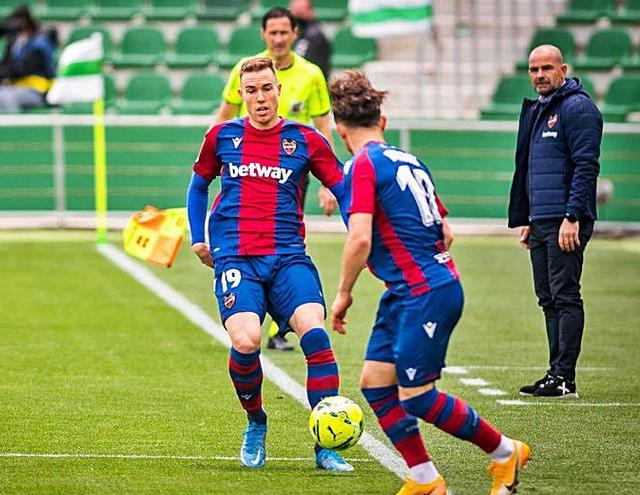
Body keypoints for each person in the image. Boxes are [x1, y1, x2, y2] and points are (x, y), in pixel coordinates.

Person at [328, 70, 531, 495]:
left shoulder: (362, 165)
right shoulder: (409, 159)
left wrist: (344, 293)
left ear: (339, 129)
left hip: (425, 292)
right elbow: (446, 230)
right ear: (382, 123)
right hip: (410, 290)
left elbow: (360, 237)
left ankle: (504, 451)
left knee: (417, 395)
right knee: (376, 383)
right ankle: (425, 479)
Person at [188, 57, 352, 472]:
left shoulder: (308, 140)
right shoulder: (221, 136)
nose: (260, 98)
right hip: (236, 258)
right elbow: (199, 184)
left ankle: (324, 446)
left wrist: (360, 233)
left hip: (288, 257)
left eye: (266, 88)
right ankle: (256, 421)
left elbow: (343, 189)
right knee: (246, 341)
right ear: (240, 94)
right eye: (251, 91)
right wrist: (198, 237)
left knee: (315, 333)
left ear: (280, 90)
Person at [215, 6, 336, 351]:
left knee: (284, 237)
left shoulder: (312, 75)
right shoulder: (247, 69)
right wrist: (213, 154)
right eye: (273, 33)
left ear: (295, 34)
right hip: (246, 165)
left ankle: (282, 319)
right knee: (250, 239)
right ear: (263, 35)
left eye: (285, 32)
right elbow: (224, 115)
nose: (279, 39)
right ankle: (261, 314)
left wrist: (328, 181)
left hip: (291, 167)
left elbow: (323, 124)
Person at [509, 45, 601, 399]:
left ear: (563, 69)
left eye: (546, 68)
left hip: (566, 220)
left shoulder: (579, 108)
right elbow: (533, 170)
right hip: (542, 219)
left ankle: (565, 378)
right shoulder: (539, 110)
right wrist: (529, 217)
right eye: (533, 70)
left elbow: (586, 166)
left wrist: (572, 216)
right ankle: (555, 374)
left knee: (565, 295)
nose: (539, 75)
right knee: (547, 297)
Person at [0, 5, 55, 112]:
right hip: (18, 86)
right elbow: (5, 63)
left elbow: (24, 70)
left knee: (8, 97)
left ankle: (17, 128)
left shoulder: (40, 43)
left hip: (38, 90)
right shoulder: (15, 42)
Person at [290, 0, 331, 79]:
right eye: (295, 9)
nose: (295, 13)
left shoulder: (314, 36)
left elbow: (312, 67)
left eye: (300, 10)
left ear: (311, 11)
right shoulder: (301, 33)